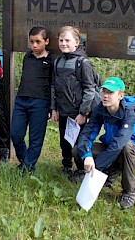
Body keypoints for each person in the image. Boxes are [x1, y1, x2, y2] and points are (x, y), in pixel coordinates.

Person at [73, 77, 135, 210]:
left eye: (110, 93)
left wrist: (98, 167)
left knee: (125, 147)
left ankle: (129, 191)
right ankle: (99, 173)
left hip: (132, 152)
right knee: (78, 149)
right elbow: (87, 133)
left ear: (120, 95)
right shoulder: (100, 109)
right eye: (104, 92)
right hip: (109, 147)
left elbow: (120, 142)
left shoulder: (129, 112)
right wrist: (87, 156)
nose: (105, 96)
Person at [51, 26, 99, 177]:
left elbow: (89, 89)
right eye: (61, 40)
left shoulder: (82, 63)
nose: (64, 43)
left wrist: (83, 112)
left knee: (79, 143)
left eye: (67, 40)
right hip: (62, 110)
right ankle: (66, 165)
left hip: (78, 112)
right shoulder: (57, 61)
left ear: (76, 42)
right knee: (64, 140)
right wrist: (53, 108)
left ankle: (81, 169)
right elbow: (53, 86)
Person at [11, 26, 54, 172]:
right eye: (31, 42)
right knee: (16, 134)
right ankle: (25, 161)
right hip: (21, 100)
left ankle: (27, 168)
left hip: (40, 102)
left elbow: (54, 85)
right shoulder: (27, 57)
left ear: (46, 41)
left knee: (35, 139)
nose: (34, 45)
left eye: (38, 42)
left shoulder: (52, 60)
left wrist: (52, 107)